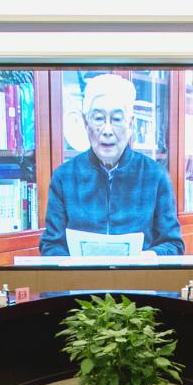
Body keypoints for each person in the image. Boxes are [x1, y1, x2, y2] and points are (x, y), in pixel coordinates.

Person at [39, 74, 184, 257]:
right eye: (99, 118)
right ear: (85, 123)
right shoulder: (64, 177)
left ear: (130, 124)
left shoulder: (155, 175)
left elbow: (173, 244)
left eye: (116, 119)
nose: (107, 130)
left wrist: (147, 258)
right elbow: (51, 245)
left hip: (139, 274)